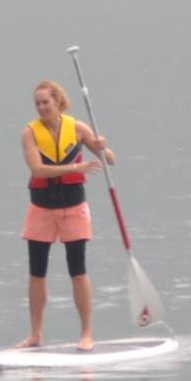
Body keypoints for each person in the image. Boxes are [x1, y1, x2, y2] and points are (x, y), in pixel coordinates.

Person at [20, 77, 114, 348]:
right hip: (41, 207)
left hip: (73, 207)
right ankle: (36, 334)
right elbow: (38, 170)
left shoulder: (78, 128)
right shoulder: (29, 133)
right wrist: (75, 168)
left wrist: (103, 147)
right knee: (37, 271)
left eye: (45, 102)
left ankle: (86, 334)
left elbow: (110, 160)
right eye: (37, 104)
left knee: (78, 269)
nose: (41, 108)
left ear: (58, 101)